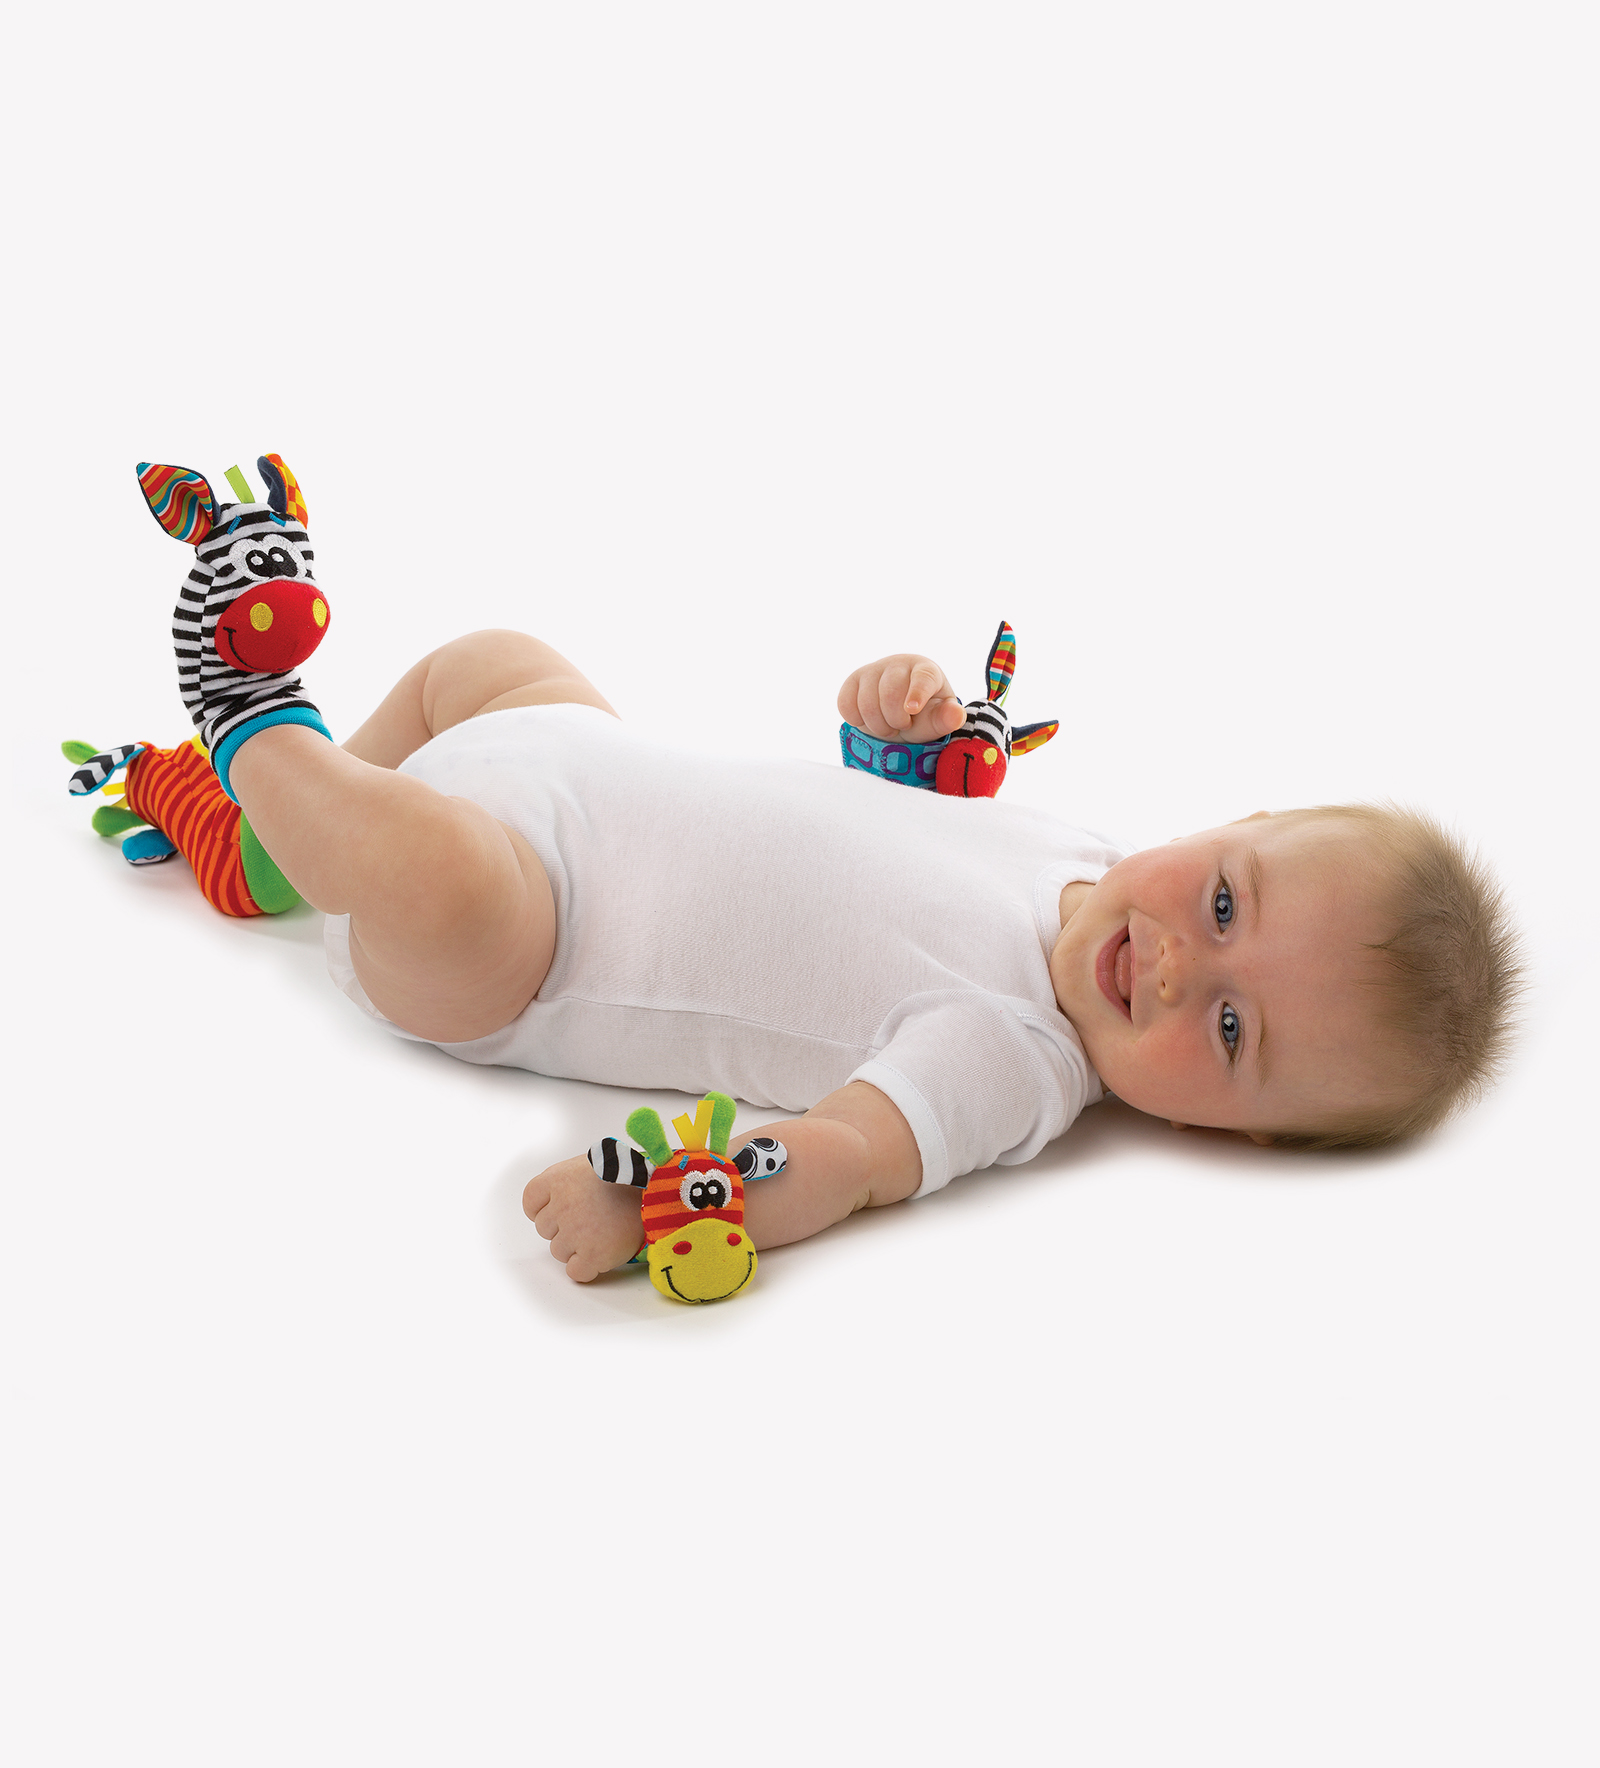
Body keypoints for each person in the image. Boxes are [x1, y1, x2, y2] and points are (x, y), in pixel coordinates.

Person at [130, 469, 1523, 1286]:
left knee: (438, 880)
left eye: (1227, 1028)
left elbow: (841, 1165)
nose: (1174, 964)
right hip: (572, 761)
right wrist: (898, 726)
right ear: (1241, 821)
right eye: (1222, 905)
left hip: (518, 940)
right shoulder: (1084, 851)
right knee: (490, 662)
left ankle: (247, 718)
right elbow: (880, 820)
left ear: (1241, 1134)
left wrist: (659, 1202)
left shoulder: (1016, 1061)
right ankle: (271, 846)